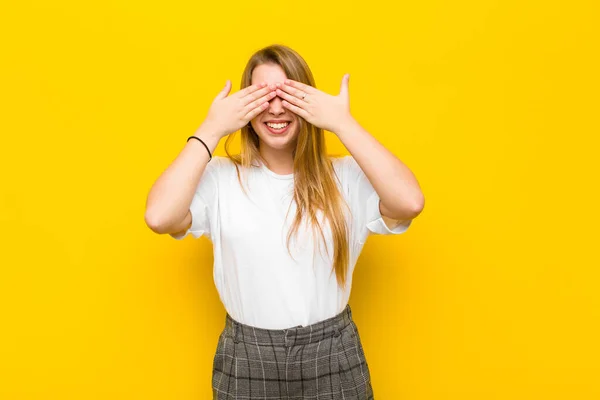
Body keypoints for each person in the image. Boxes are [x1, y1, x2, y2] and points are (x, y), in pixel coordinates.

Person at [145, 44, 424, 399]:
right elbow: (158, 216)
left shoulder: (344, 177)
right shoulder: (220, 179)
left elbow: (410, 201)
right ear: (244, 105)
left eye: (288, 95)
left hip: (332, 354)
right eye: (262, 96)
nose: (276, 108)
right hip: (246, 356)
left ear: (308, 101)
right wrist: (211, 128)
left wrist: (342, 123)